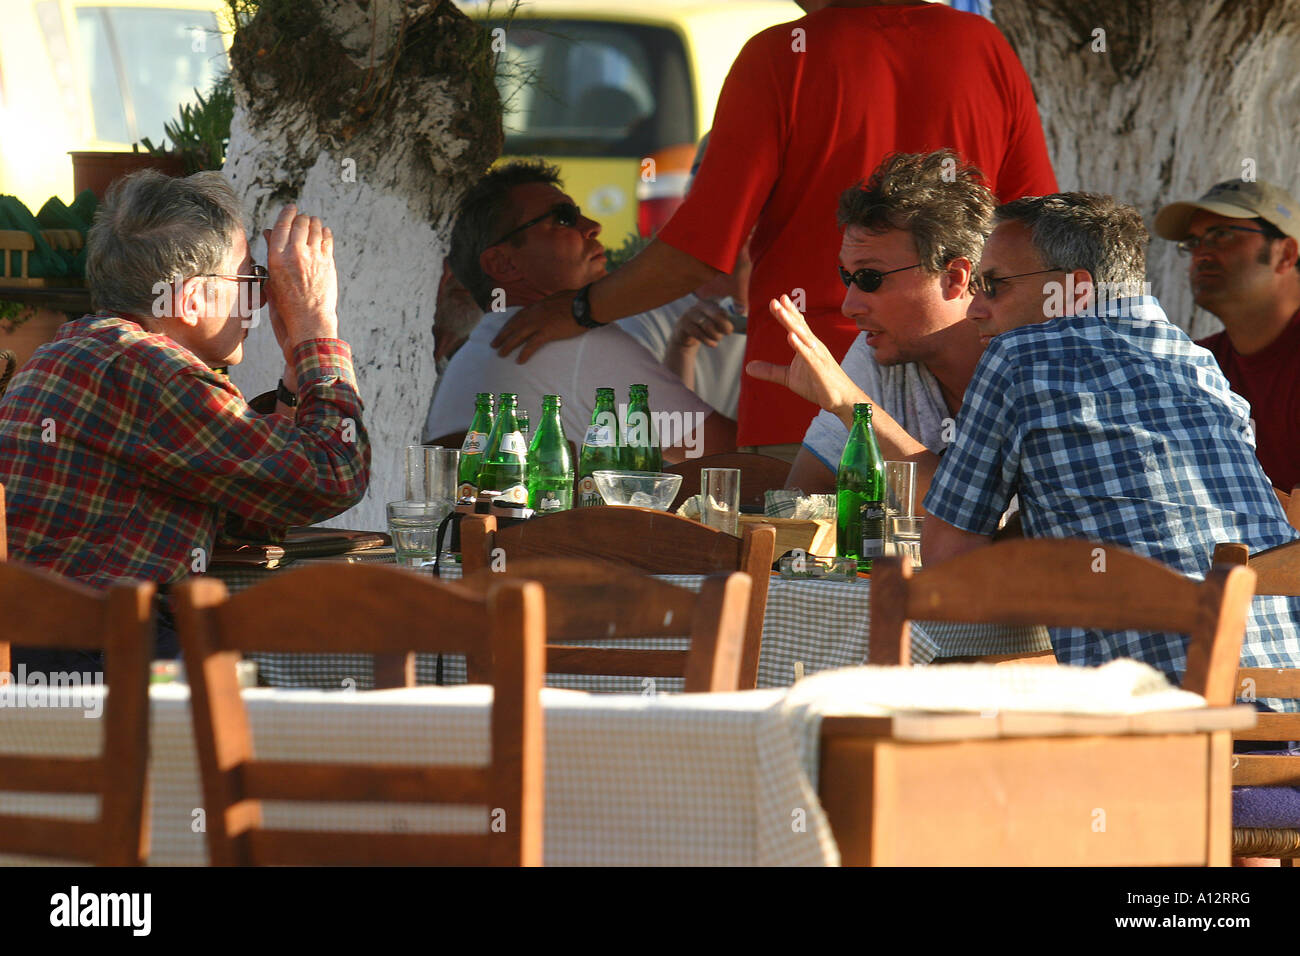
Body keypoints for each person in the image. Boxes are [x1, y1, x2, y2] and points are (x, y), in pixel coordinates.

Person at [489, 0, 1057, 459]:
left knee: (793, 580)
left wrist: (580, 308)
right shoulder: (983, 47)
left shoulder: (782, 56)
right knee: (950, 591)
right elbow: (1035, 237)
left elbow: (700, 250)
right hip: (966, 395)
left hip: (804, 397)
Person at [916, 192, 1300, 700]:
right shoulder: (1202, 367)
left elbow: (949, 563)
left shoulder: (1020, 356)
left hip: (1159, 739)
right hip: (1280, 731)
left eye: (993, 284)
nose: (974, 309)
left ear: (1075, 290)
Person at [0, 170, 370, 671]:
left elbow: (255, 507)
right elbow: (333, 475)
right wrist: (316, 332)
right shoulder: (154, 374)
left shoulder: (71, 352)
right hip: (98, 666)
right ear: (192, 300)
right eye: (250, 280)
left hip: (41, 659)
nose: (260, 300)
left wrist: (292, 379)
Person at [424, 160, 735, 458]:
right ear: (503, 263)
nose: (593, 227)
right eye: (563, 218)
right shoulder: (574, 341)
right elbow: (728, 453)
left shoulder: (474, 352)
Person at [748, 150, 995, 498]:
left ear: (954, 277)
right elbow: (802, 501)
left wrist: (851, 405)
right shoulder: (878, 350)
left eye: (869, 277)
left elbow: (977, 521)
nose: (849, 306)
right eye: (846, 276)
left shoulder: (1028, 361)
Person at [1154, 179, 1300, 492]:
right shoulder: (1195, 366)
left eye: (1221, 235)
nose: (1201, 255)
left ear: (1286, 253)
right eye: (1193, 243)